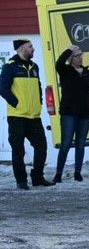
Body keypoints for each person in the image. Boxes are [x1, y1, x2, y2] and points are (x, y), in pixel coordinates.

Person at [1, 38, 51, 190]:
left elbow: (38, 86)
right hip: (17, 116)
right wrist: (16, 103)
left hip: (34, 116)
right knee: (18, 150)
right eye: (30, 46)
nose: (33, 49)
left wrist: (39, 103)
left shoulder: (34, 67)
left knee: (41, 147)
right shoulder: (10, 66)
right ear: (21, 48)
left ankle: (37, 178)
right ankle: (21, 181)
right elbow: (2, 88)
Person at [53, 45, 89, 183]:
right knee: (66, 144)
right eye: (77, 56)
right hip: (69, 113)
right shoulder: (65, 71)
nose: (80, 58)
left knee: (81, 144)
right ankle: (58, 173)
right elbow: (59, 63)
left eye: (80, 55)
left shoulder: (87, 73)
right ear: (71, 59)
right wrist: (69, 50)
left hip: (85, 114)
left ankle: (78, 173)